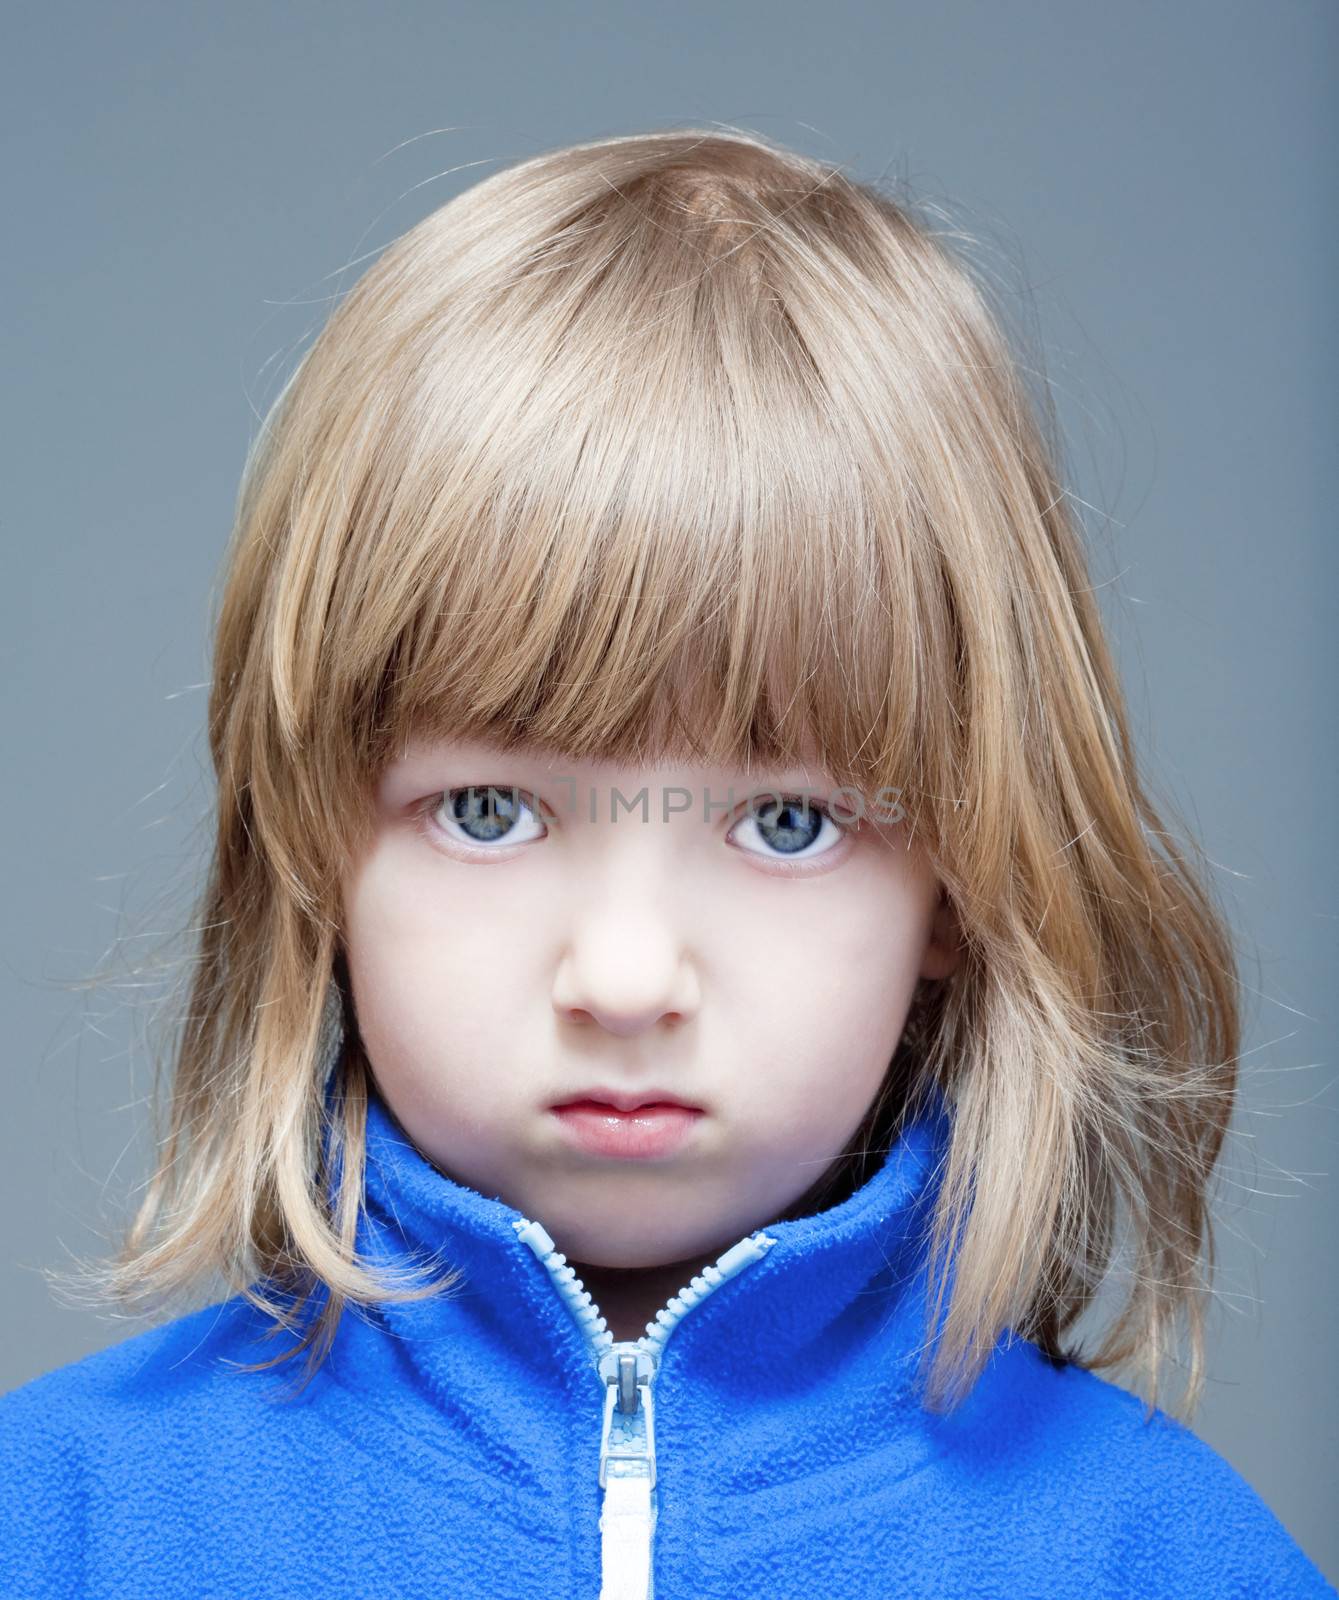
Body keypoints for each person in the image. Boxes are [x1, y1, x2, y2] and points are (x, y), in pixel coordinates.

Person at [1, 126, 1332, 1600]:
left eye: (786, 822)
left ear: (961, 876)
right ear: (315, 843)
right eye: (492, 810)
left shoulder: (1165, 1561)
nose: (626, 978)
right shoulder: (62, 1525)